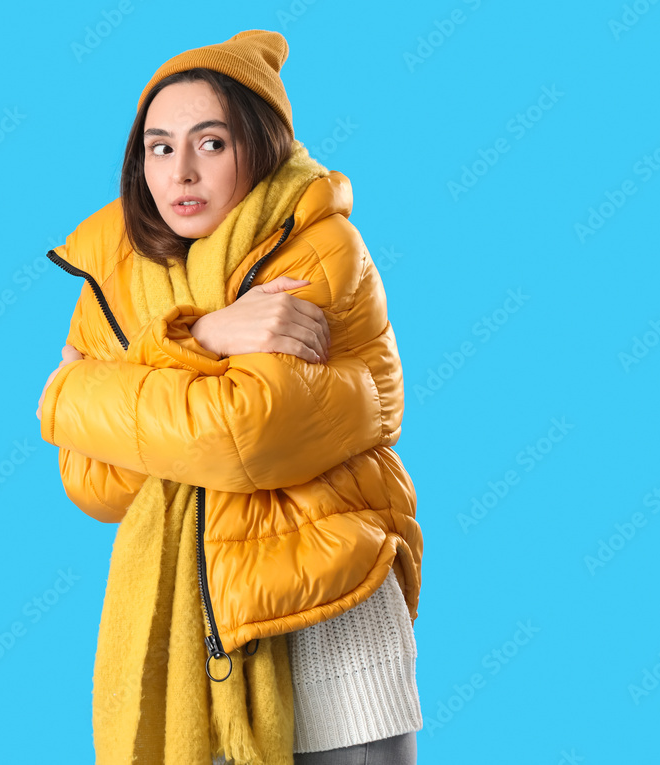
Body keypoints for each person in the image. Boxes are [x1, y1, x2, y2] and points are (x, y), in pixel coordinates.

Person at [37, 30, 423, 765]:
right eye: (159, 146)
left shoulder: (317, 245)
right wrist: (203, 335)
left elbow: (246, 435)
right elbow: (93, 478)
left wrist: (86, 389)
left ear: (260, 143)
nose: (180, 170)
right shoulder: (117, 271)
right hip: (203, 631)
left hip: (331, 606)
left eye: (210, 143)